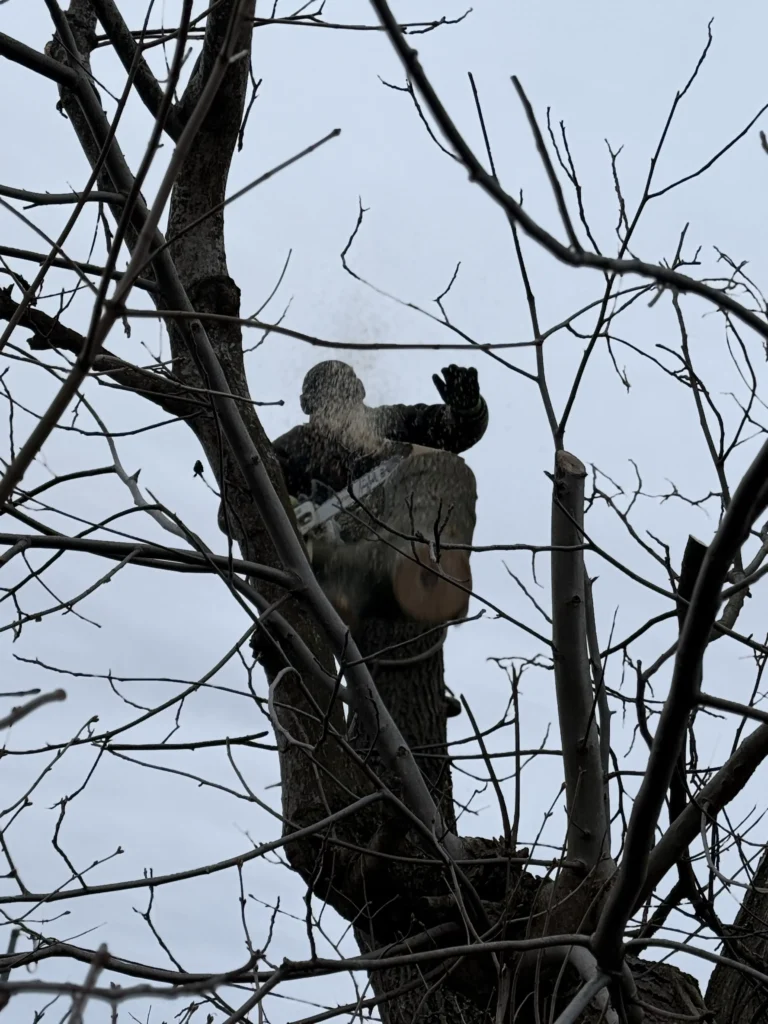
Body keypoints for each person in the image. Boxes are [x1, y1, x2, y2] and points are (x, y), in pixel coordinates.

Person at [272, 360, 488, 501]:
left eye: (344, 394)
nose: (338, 404)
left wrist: (466, 411)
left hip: (397, 540)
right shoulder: (293, 447)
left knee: (452, 474)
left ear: (359, 392)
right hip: (321, 558)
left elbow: (448, 431)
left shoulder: (391, 423)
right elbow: (253, 497)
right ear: (309, 405)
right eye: (329, 397)